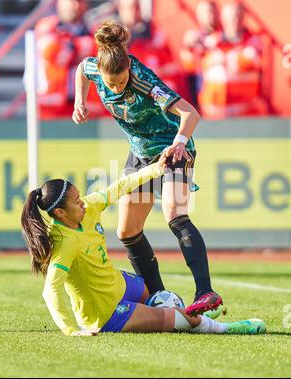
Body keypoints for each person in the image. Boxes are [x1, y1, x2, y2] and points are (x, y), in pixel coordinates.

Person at [72, 20, 223, 316]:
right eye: (110, 83)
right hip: (140, 155)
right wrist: (80, 101)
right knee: (127, 230)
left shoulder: (143, 81)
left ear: (128, 66)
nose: (115, 87)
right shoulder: (95, 68)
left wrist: (180, 142)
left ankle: (206, 292)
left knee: (175, 214)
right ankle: (158, 297)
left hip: (171, 149)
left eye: (120, 81)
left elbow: (190, 113)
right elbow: (81, 68)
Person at [21, 156, 266, 336]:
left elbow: (118, 187)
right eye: (77, 202)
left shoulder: (89, 207)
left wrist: (155, 169)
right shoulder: (65, 243)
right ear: (61, 212)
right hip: (104, 313)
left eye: (80, 197)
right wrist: (71, 330)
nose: (83, 203)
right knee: (182, 320)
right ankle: (224, 328)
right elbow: (50, 290)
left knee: (160, 297)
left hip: (118, 284)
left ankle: (176, 314)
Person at [35, 0, 106, 119]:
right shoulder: (47, 27)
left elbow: (98, 58)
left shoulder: (95, 32)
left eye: (80, 2)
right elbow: (55, 55)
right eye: (72, 1)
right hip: (52, 106)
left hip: (87, 107)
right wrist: (77, 48)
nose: (76, 6)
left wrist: (76, 48)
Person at [197, 2, 268, 119]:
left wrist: (223, 59)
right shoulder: (212, 40)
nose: (233, 21)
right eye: (229, 17)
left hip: (244, 112)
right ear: (222, 19)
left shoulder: (253, 41)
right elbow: (194, 65)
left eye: (236, 16)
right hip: (212, 112)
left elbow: (250, 62)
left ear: (243, 18)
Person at [180, 0, 221, 108]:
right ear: (198, 15)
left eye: (211, 11)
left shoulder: (223, 37)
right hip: (199, 91)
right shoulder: (193, 37)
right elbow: (187, 66)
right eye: (204, 12)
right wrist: (187, 47)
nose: (208, 15)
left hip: (220, 94)